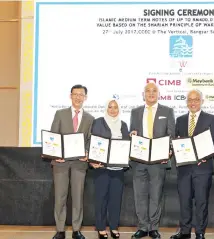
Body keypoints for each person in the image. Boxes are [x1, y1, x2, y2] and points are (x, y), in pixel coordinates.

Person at [170, 89, 214, 239]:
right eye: (190, 100)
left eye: (196, 99)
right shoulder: (179, 120)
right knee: (184, 201)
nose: (193, 102)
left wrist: (207, 155)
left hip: (203, 168)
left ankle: (200, 232)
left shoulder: (211, 119)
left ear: (202, 101)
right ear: (187, 102)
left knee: (201, 202)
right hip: (184, 169)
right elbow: (176, 142)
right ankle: (185, 231)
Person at [129, 82, 175, 239]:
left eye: (154, 91)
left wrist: (168, 151)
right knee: (139, 195)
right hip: (139, 160)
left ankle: (153, 227)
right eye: (147, 91)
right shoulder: (135, 112)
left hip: (158, 161)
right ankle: (142, 227)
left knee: (156, 195)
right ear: (143, 94)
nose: (150, 93)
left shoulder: (167, 111)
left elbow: (171, 135)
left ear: (158, 94)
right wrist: (132, 135)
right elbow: (132, 132)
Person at [49, 84, 94, 239]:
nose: (78, 97)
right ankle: (60, 229)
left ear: (85, 98)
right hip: (60, 162)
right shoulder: (60, 114)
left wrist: (87, 152)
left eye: (81, 95)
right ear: (70, 96)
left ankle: (76, 229)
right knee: (60, 196)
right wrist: (54, 154)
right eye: (75, 94)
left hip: (79, 163)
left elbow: (89, 140)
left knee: (77, 197)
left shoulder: (90, 118)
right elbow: (53, 136)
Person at [89, 97, 130, 239]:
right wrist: (92, 161)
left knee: (115, 199)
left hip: (118, 169)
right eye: (110, 107)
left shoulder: (123, 125)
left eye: (115, 107)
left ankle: (114, 226)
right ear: (106, 108)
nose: (113, 110)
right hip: (102, 168)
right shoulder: (98, 122)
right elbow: (93, 142)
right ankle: (101, 227)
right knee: (101, 199)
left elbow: (127, 144)